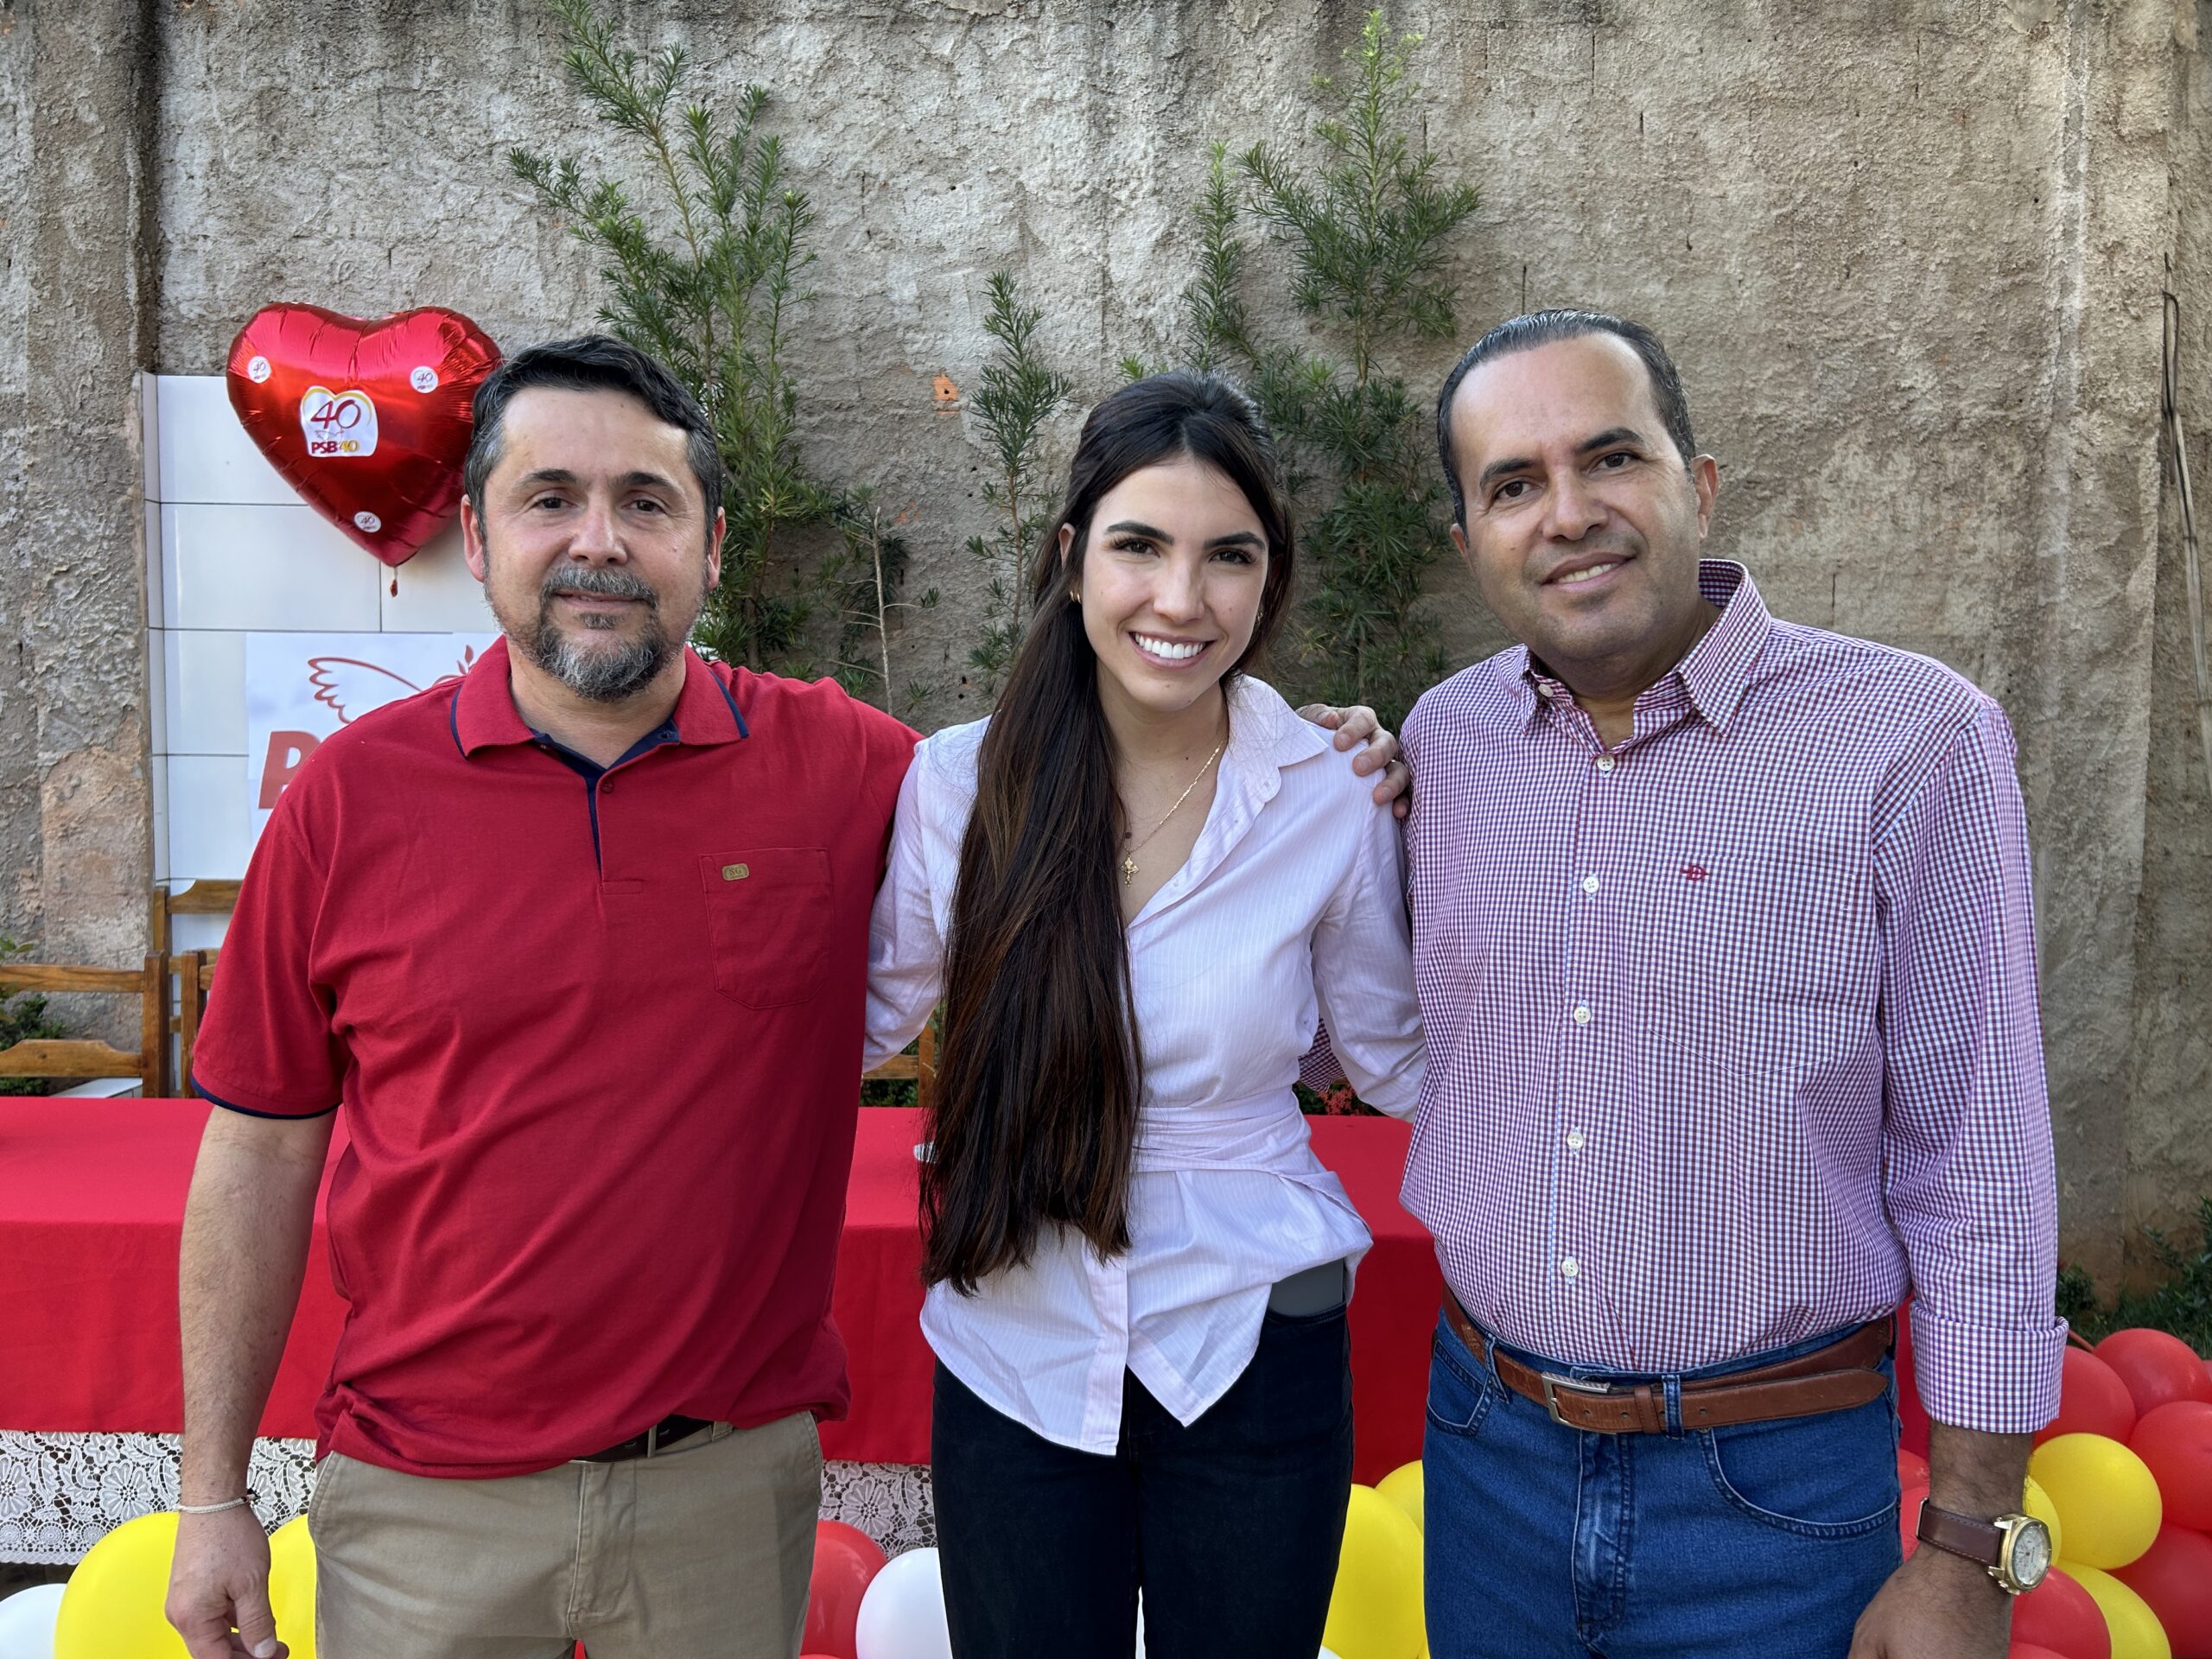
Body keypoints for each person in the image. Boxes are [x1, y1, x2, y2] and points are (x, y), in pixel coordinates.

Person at [162, 336, 1405, 1659]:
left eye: (647, 501)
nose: (600, 540)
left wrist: (1359, 770)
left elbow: (1356, 1024)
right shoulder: (349, 800)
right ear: (475, 535)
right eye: (550, 499)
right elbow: (258, 1148)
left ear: (710, 547)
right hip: (427, 1496)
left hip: (719, 1484)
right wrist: (210, 1493)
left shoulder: (854, 766)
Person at [1402, 310, 2063, 1659]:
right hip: (1485, 1462)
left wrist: (1971, 1553)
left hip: (1772, 1499)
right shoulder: (1444, 743)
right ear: (1470, 543)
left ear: (1696, 484)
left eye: (1610, 458)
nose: (1568, 514)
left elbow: (1978, 1158)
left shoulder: (1911, 741)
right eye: (1513, 485)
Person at [864, 372, 1426, 1659]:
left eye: (1230, 556)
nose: (1181, 599)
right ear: (1072, 559)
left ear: (1270, 579)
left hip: (1252, 1331)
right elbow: (860, 1016)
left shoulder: (1328, 792)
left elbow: (1398, 1056)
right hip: (1015, 1332)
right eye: (1139, 546)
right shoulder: (961, 783)